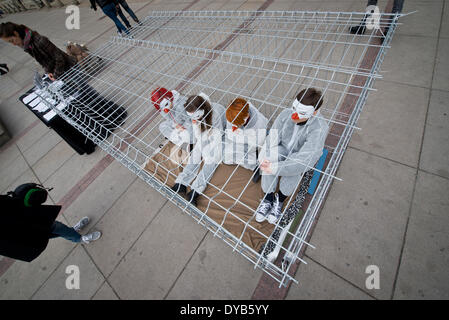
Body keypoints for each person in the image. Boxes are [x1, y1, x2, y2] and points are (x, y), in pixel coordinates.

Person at [255, 88, 328, 225]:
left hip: (297, 155)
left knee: (294, 170)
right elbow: (273, 136)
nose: (294, 115)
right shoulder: (285, 114)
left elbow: (305, 159)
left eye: (301, 113)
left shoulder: (319, 128)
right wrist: (265, 157)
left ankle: (280, 200)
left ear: (315, 112)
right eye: (294, 108)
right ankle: (268, 197)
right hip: (283, 148)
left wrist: (276, 168)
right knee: (268, 158)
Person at [0, 185, 101, 263]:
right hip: (14, 230)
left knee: (52, 228)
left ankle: (72, 232)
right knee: (54, 227)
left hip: (15, 217)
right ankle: (79, 238)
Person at [171, 93, 226, 206]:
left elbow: (217, 136)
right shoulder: (194, 114)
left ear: (202, 109)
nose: (193, 119)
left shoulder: (215, 114)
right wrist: (196, 126)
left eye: (195, 116)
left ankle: (195, 191)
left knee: (212, 159)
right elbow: (198, 135)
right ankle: (181, 183)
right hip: (205, 134)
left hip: (220, 136)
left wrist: (207, 151)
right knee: (196, 152)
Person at [223, 97, 268, 178]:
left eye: (236, 123)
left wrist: (239, 135)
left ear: (246, 116)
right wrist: (238, 134)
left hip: (255, 142)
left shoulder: (259, 123)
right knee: (226, 158)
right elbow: (229, 133)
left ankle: (256, 166)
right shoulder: (232, 114)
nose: (234, 125)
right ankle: (253, 162)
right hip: (241, 139)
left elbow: (258, 143)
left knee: (232, 154)